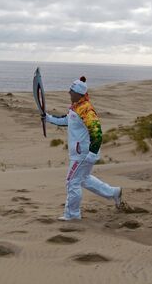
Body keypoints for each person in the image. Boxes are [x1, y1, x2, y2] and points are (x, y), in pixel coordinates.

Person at [45, 76, 122, 221]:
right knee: (84, 179)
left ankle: (72, 215)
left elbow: (97, 133)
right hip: (79, 153)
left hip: (83, 154)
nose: (69, 92)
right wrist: (48, 118)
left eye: (71, 90)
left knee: (72, 182)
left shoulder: (87, 110)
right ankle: (113, 193)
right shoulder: (76, 108)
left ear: (78, 93)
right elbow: (65, 121)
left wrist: (92, 154)